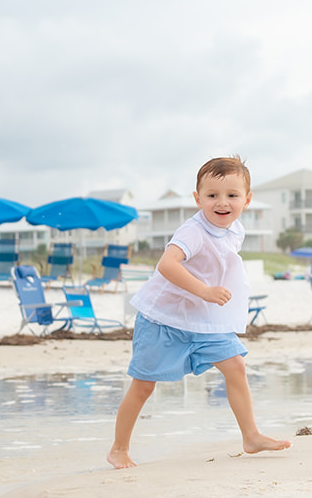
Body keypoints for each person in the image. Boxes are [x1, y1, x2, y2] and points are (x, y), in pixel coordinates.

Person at [107, 155, 292, 469]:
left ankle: (251, 436)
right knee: (143, 385)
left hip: (203, 319)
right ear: (198, 198)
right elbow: (167, 265)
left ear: (247, 200)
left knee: (235, 365)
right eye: (212, 195)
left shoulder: (235, 230)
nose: (222, 203)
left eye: (232, 195)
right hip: (163, 319)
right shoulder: (193, 231)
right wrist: (205, 291)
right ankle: (118, 449)